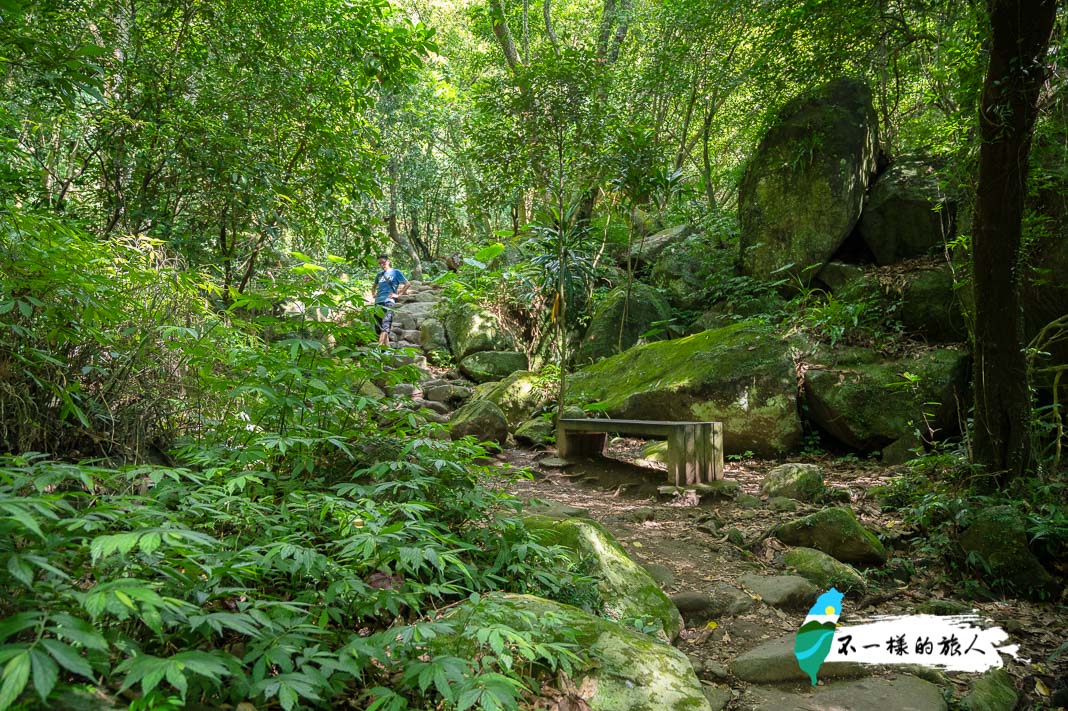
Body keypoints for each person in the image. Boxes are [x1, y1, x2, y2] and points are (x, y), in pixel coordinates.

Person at [371, 254, 409, 346]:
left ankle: (380, 350)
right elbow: (374, 286)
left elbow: (407, 284)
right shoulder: (379, 275)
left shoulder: (396, 272)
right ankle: (386, 349)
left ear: (388, 261)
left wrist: (398, 295)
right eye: (379, 263)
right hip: (378, 302)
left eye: (383, 262)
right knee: (379, 326)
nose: (381, 265)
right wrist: (374, 294)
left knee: (386, 325)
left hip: (389, 301)